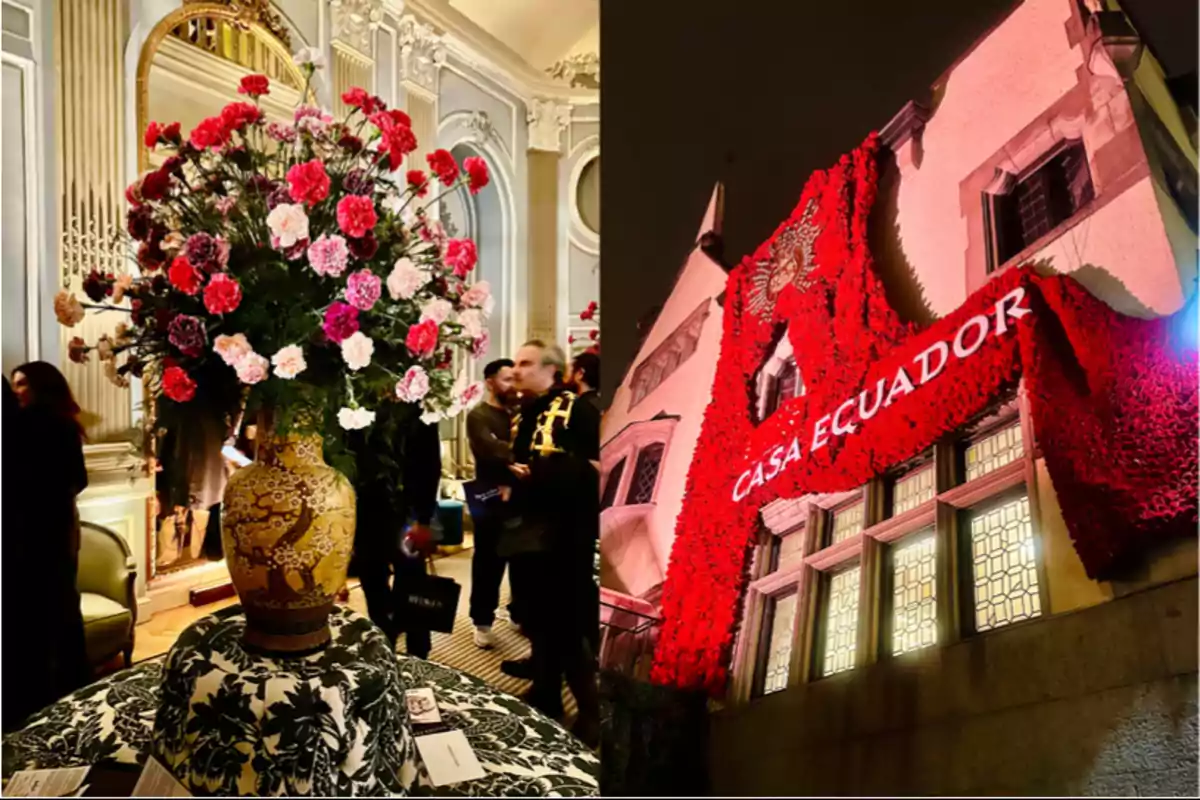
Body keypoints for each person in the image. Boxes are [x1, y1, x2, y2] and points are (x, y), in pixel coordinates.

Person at [506, 340, 601, 747]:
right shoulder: (526, 413)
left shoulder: (578, 409)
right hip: (530, 532)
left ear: (551, 370)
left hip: (566, 536)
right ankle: (546, 693)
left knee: (565, 623)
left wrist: (550, 468)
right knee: (539, 619)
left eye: (526, 363)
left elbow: (601, 466)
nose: (517, 370)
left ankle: (593, 709)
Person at [5, 363, 91, 728]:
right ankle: (73, 701)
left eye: (22, 384)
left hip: (35, 538)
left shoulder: (28, 427)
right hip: (56, 534)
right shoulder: (62, 425)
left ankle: (39, 712)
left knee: (36, 624)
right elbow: (78, 480)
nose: (16, 391)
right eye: (13, 385)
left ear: (41, 386)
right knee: (61, 616)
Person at [351, 414, 442, 658]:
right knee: (372, 578)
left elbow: (431, 465)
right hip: (366, 511)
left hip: (408, 512)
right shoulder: (354, 403)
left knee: (412, 580)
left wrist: (424, 518)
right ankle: (384, 638)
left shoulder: (420, 410)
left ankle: (419, 650)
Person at [465, 359, 521, 649]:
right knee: (488, 561)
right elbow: (491, 450)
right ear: (489, 382)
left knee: (522, 560)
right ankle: (482, 620)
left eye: (515, 379)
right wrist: (516, 454)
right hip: (488, 497)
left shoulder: (519, 414)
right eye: (507, 379)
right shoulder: (478, 416)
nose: (513, 385)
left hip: (520, 496)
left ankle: (518, 612)